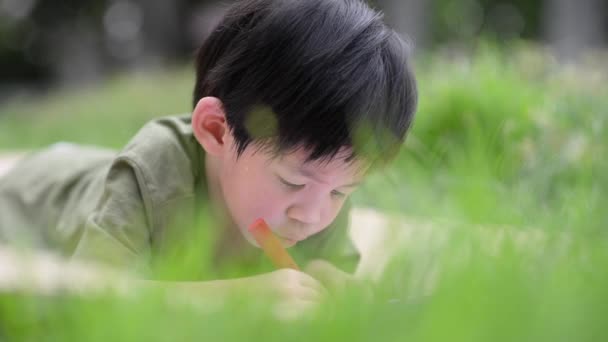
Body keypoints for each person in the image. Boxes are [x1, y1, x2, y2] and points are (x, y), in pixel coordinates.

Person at [0, 0, 417, 313]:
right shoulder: (152, 176)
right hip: (29, 193)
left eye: (343, 191)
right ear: (216, 130)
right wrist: (229, 297)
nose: (313, 214)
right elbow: (90, 294)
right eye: (292, 182)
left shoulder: (318, 188)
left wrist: (332, 283)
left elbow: (331, 276)